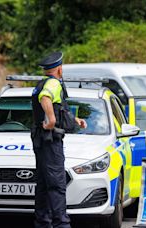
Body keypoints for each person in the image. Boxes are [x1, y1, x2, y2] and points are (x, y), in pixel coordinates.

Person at [31, 51, 87, 228]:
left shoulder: (41, 83)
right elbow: (46, 98)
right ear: (59, 69)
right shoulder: (53, 83)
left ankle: (42, 223)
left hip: (40, 140)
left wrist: (74, 120)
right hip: (50, 140)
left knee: (43, 184)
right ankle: (62, 224)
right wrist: (52, 120)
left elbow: (57, 108)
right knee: (56, 184)